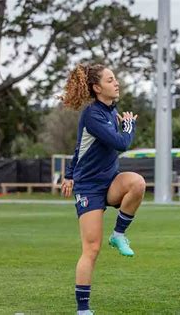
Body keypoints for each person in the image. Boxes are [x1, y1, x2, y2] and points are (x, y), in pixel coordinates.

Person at [60, 64, 146, 314]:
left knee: (137, 183)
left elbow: (81, 147)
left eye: (115, 78)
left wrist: (67, 174)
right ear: (97, 88)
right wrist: (128, 125)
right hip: (89, 188)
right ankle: (83, 309)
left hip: (110, 181)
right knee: (91, 249)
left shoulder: (110, 110)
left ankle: (118, 234)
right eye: (110, 80)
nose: (116, 82)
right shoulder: (92, 115)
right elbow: (121, 143)